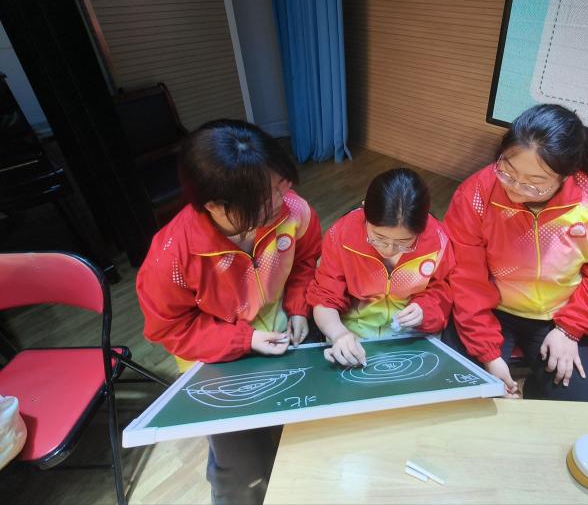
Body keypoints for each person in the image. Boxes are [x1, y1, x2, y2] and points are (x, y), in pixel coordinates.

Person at [136, 119, 321, 505]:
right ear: (215, 206)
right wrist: (245, 339)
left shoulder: (294, 211)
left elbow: (305, 263)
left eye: (282, 184)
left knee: (305, 430)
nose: (282, 199)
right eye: (265, 196)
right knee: (243, 472)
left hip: (282, 331)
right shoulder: (173, 256)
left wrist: (298, 309)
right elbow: (170, 328)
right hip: (214, 354)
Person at [442, 103, 588, 401]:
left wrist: (570, 329)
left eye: (535, 183)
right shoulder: (476, 194)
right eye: (508, 171)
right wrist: (488, 353)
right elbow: (466, 278)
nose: (516, 188)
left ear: (567, 174)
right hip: (492, 310)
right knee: (454, 398)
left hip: (562, 313)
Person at [307, 168, 453, 366]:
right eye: (378, 238)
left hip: (412, 336)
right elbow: (325, 295)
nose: (389, 250)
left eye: (404, 242)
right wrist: (338, 333)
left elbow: (442, 289)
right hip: (355, 336)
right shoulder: (342, 235)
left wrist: (424, 310)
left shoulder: (437, 241)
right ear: (365, 211)